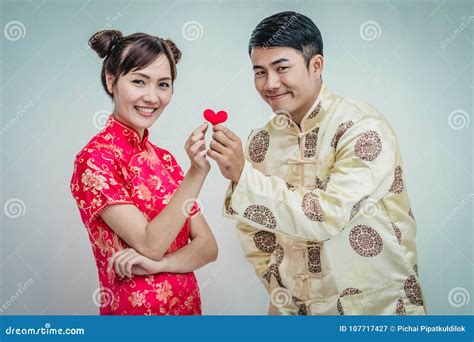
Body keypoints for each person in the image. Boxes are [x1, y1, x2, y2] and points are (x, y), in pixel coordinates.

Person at [207, 11, 426, 315]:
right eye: (259, 72)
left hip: (376, 311)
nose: (270, 83)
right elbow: (254, 233)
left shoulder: (362, 129)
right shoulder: (261, 142)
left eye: (281, 68)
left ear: (316, 65)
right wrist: (279, 291)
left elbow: (326, 216)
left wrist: (242, 174)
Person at [70, 30, 217, 315]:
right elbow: (151, 244)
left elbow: (208, 247)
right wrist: (197, 173)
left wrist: (161, 265)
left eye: (163, 84)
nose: (152, 97)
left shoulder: (165, 159)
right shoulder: (96, 159)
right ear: (111, 81)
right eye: (139, 81)